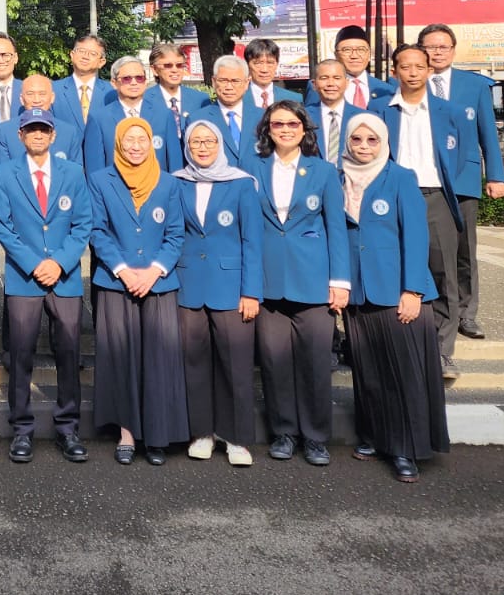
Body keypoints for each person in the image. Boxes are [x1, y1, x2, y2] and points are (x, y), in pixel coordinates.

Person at [340, 115, 450, 483]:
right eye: (357, 139)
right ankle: (372, 436)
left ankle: (405, 449)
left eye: (372, 139)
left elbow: (417, 237)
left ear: (383, 142)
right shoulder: (338, 177)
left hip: (397, 292)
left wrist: (413, 289)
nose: (364, 146)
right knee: (368, 372)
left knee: (402, 375)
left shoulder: (400, 178)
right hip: (357, 292)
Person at [246, 100, 350, 467]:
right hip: (268, 282)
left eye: (292, 124)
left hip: (314, 281)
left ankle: (316, 437)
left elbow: (336, 228)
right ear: (267, 130)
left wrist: (340, 281)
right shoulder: (252, 169)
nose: (285, 130)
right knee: (275, 364)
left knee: (315, 363)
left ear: (304, 130)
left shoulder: (322, 172)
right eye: (278, 124)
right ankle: (284, 433)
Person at [0, 108, 92, 464]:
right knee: (20, 356)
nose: (37, 134)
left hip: (63, 279)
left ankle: (68, 429)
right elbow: (2, 226)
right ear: (20, 136)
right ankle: (21, 429)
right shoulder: (4, 174)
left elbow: (83, 224)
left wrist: (59, 262)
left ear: (52, 135)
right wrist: (35, 263)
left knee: (69, 355)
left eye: (43, 129)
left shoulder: (73, 173)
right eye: (30, 129)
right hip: (23, 277)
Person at [87, 117, 186, 466]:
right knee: (121, 358)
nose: (135, 145)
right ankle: (127, 433)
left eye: (141, 139)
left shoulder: (169, 183)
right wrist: (124, 270)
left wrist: (154, 270)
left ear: (152, 143)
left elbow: (176, 234)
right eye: (128, 139)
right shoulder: (100, 180)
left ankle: (157, 435)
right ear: (117, 143)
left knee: (158, 360)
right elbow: (97, 230)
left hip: (159, 283)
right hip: (116, 282)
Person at [171, 119, 262, 467]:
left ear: (220, 144)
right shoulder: (177, 183)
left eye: (209, 141)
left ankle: (236, 438)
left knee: (235, 364)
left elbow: (252, 241)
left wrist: (251, 292)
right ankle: (202, 433)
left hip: (232, 288)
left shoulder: (240, 184)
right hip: (188, 286)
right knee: (194, 364)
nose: (203, 147)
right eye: (196, 142)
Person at [382, 43, 467, 381]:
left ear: (430, 71)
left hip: (434, 197)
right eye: (406, 67)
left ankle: (443, 351)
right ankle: (401, 345)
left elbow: (457, 158)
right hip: (392, 199)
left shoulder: (449, 112)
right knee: (394, 268)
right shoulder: (380, 110)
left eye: (420, 66)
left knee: (443, 271)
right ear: (394, 72)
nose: (413, 72)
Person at [417, 23, 504, 341]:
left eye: (443, 47)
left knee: (465, 250)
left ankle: (467, 314)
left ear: (453, 50)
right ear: (420, 49)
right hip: (425, 180)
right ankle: (436, 312)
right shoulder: (412, 82)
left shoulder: (474, 85)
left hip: (464, 180)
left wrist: (495, 175)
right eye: (431, 46)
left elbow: (488, 135)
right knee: (430, 250)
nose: (437, 52)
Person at [84, 56, 180, 174]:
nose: (134, 82)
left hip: (157, 189)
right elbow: (94, 170)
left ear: (145, 81)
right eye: (127, 79)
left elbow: (175, 164)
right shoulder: (99, 119)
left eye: (139, 78)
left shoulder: (164, 115)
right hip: (115, 189)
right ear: (114, 83)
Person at [0, 74, 84, 166]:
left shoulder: (69, 133)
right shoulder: (5, 132)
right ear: (21, 99)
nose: (36, 100)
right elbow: (3, 174)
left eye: (42, 94)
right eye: (30, 94)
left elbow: (76, 174)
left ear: (52, 97)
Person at [306, 25, 394, 111]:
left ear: (369, 54)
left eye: (361, 50)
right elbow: (312, 119)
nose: (354, 56)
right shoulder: (321, 86)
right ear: (336, 55)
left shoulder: (386, 89)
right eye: (347, 50)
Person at [189, 54, 256, 164]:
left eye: (235, 81)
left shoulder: (262, 117)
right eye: (223, 80)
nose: (229, 87)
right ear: (214, 82)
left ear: (246, 83)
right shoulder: (198, 119)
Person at [51, 33, 115, 138]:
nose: (85, 56)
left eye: (93, 53)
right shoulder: (53, 89)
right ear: (72, 55)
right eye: (81, 51)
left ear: (101, 62)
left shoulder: (112, 92)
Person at [149, 42, 208, 142]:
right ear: (155, 70)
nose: (175, 70)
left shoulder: (200, 100)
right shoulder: (144, 100)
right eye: (168, 65)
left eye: (179, 65)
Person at [244, 38, 302, 109]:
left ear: (277, 64)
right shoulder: (238, 98)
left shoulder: (294, 99)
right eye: (258, 63)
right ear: (247, 65)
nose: (264, 70)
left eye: (270, 63)